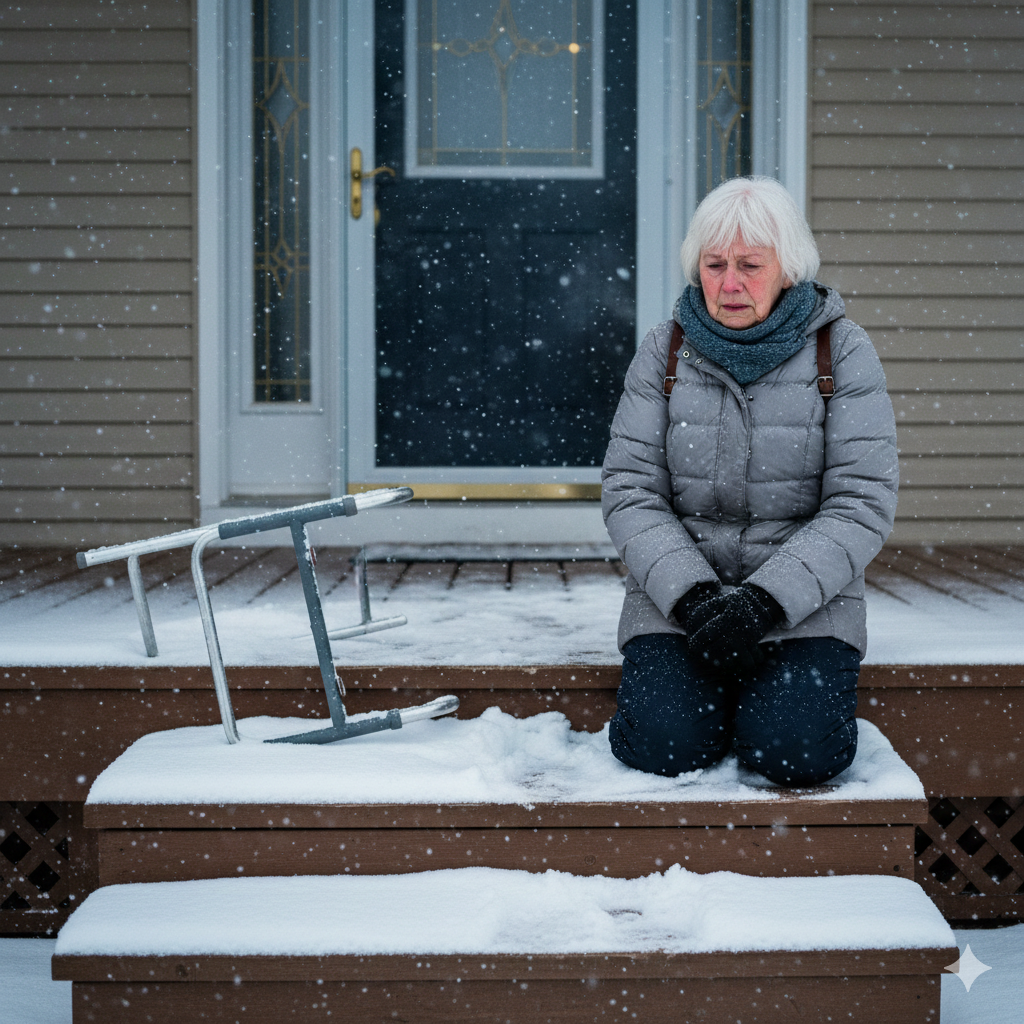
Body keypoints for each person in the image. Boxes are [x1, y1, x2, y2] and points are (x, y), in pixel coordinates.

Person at [601, 176, 898, 787]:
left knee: (796, 757)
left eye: (749, 265)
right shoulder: (663, 350)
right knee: (662, 747)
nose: (730, 283)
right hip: (678, 601)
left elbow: (862, 501)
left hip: (805, 606)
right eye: (715, 265)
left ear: (788, 268)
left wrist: (765, 603)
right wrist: (693, 597)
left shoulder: (841, 352)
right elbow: (631, 490)